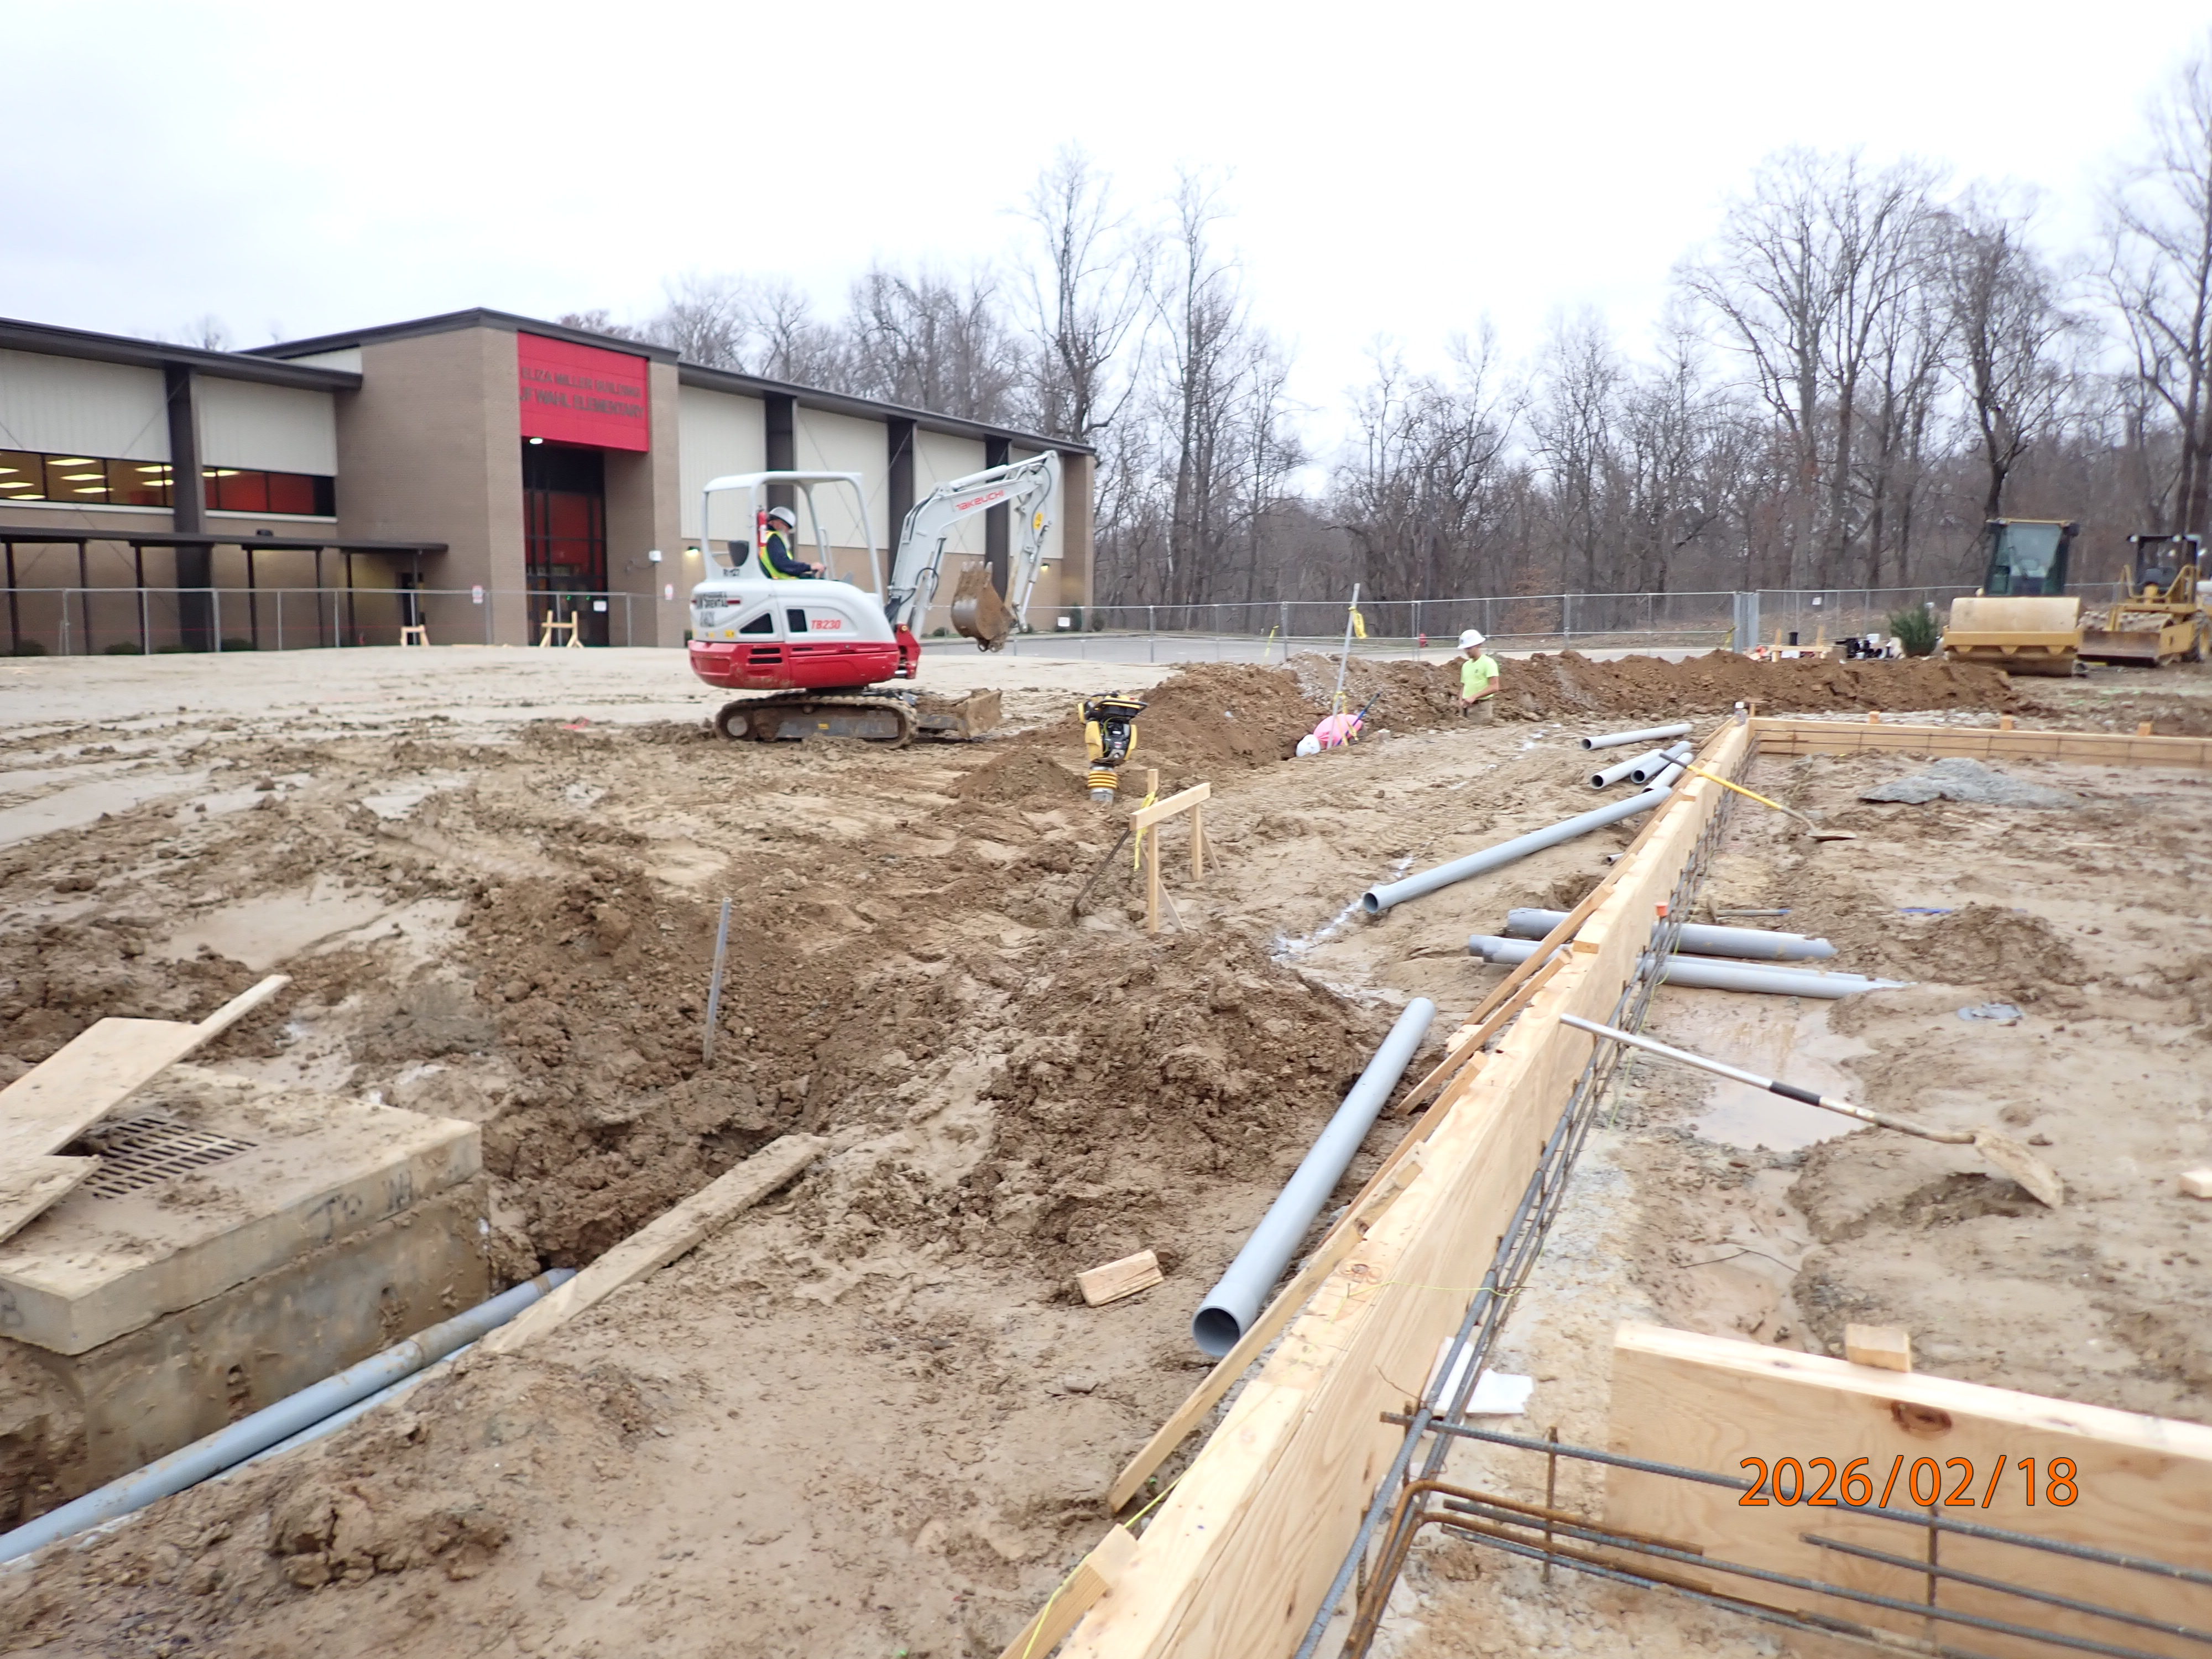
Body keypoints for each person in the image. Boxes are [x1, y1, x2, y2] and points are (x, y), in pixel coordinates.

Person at [759, 505, 820, 579]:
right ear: (780, 523)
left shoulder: (764, 536)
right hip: (781, 582)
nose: (787, 532)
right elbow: (783, 564)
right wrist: (810, 567)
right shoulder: (773, 539)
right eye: (788, 528)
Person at [1455, 629, 1498, 723]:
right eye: (1465, 649)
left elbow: (1494, 686)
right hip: (1466, 707)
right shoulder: (1466, 665)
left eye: (1469, 648)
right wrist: (1460, 701)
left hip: (1481, 708)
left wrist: (1474, 697)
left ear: (1479, 645)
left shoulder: (1488, 663)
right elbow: (1464, 685)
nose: (1467, 651)